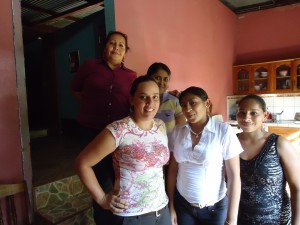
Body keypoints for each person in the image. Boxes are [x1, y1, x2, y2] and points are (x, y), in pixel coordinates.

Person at [75, 76, 172, 225]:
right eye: (143, 97)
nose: (150, 103)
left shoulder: (160, 126)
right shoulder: (119, 129)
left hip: (161, 210)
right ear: (131, 99)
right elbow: (82, 163)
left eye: (155, 97)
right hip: (132, 215)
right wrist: (101, 199)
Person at [70, 31, 137, 224]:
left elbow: (136, 99)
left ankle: (120, 217)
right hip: (91, 131)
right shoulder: (90, 67)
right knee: (100, 181)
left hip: (118, 136)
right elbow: (75, 88)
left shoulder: (131, 76)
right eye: (112, 43)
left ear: (125, 52)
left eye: (121, 45)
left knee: (119, 179)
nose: (116, 48)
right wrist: (89, 103)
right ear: (105, 46)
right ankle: (103, 218)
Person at [167, 86, 243, 225]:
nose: (187, 109)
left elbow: (233, 176)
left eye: (193, 102)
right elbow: (172, 171)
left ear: (206, 103)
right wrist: (171, 206)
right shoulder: (178, 132)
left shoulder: (223, 131)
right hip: (183, 205)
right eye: (183, 105)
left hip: (214, 209)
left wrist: (232, 219)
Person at [236, 94, 300, 225]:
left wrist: (297, 222)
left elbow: (297, 188)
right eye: (242, 112)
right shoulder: (230, 143)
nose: (246, 117)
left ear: (265, 115)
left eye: (253, 113)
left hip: (275, 220)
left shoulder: (279, 144)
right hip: (240, 218)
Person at [145, 62, 186, 135]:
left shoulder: (174, 101)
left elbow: (181, 130)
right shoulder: (141, 100)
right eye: (157, 78)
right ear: (148, 78)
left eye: (165, 79)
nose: (161, 82)